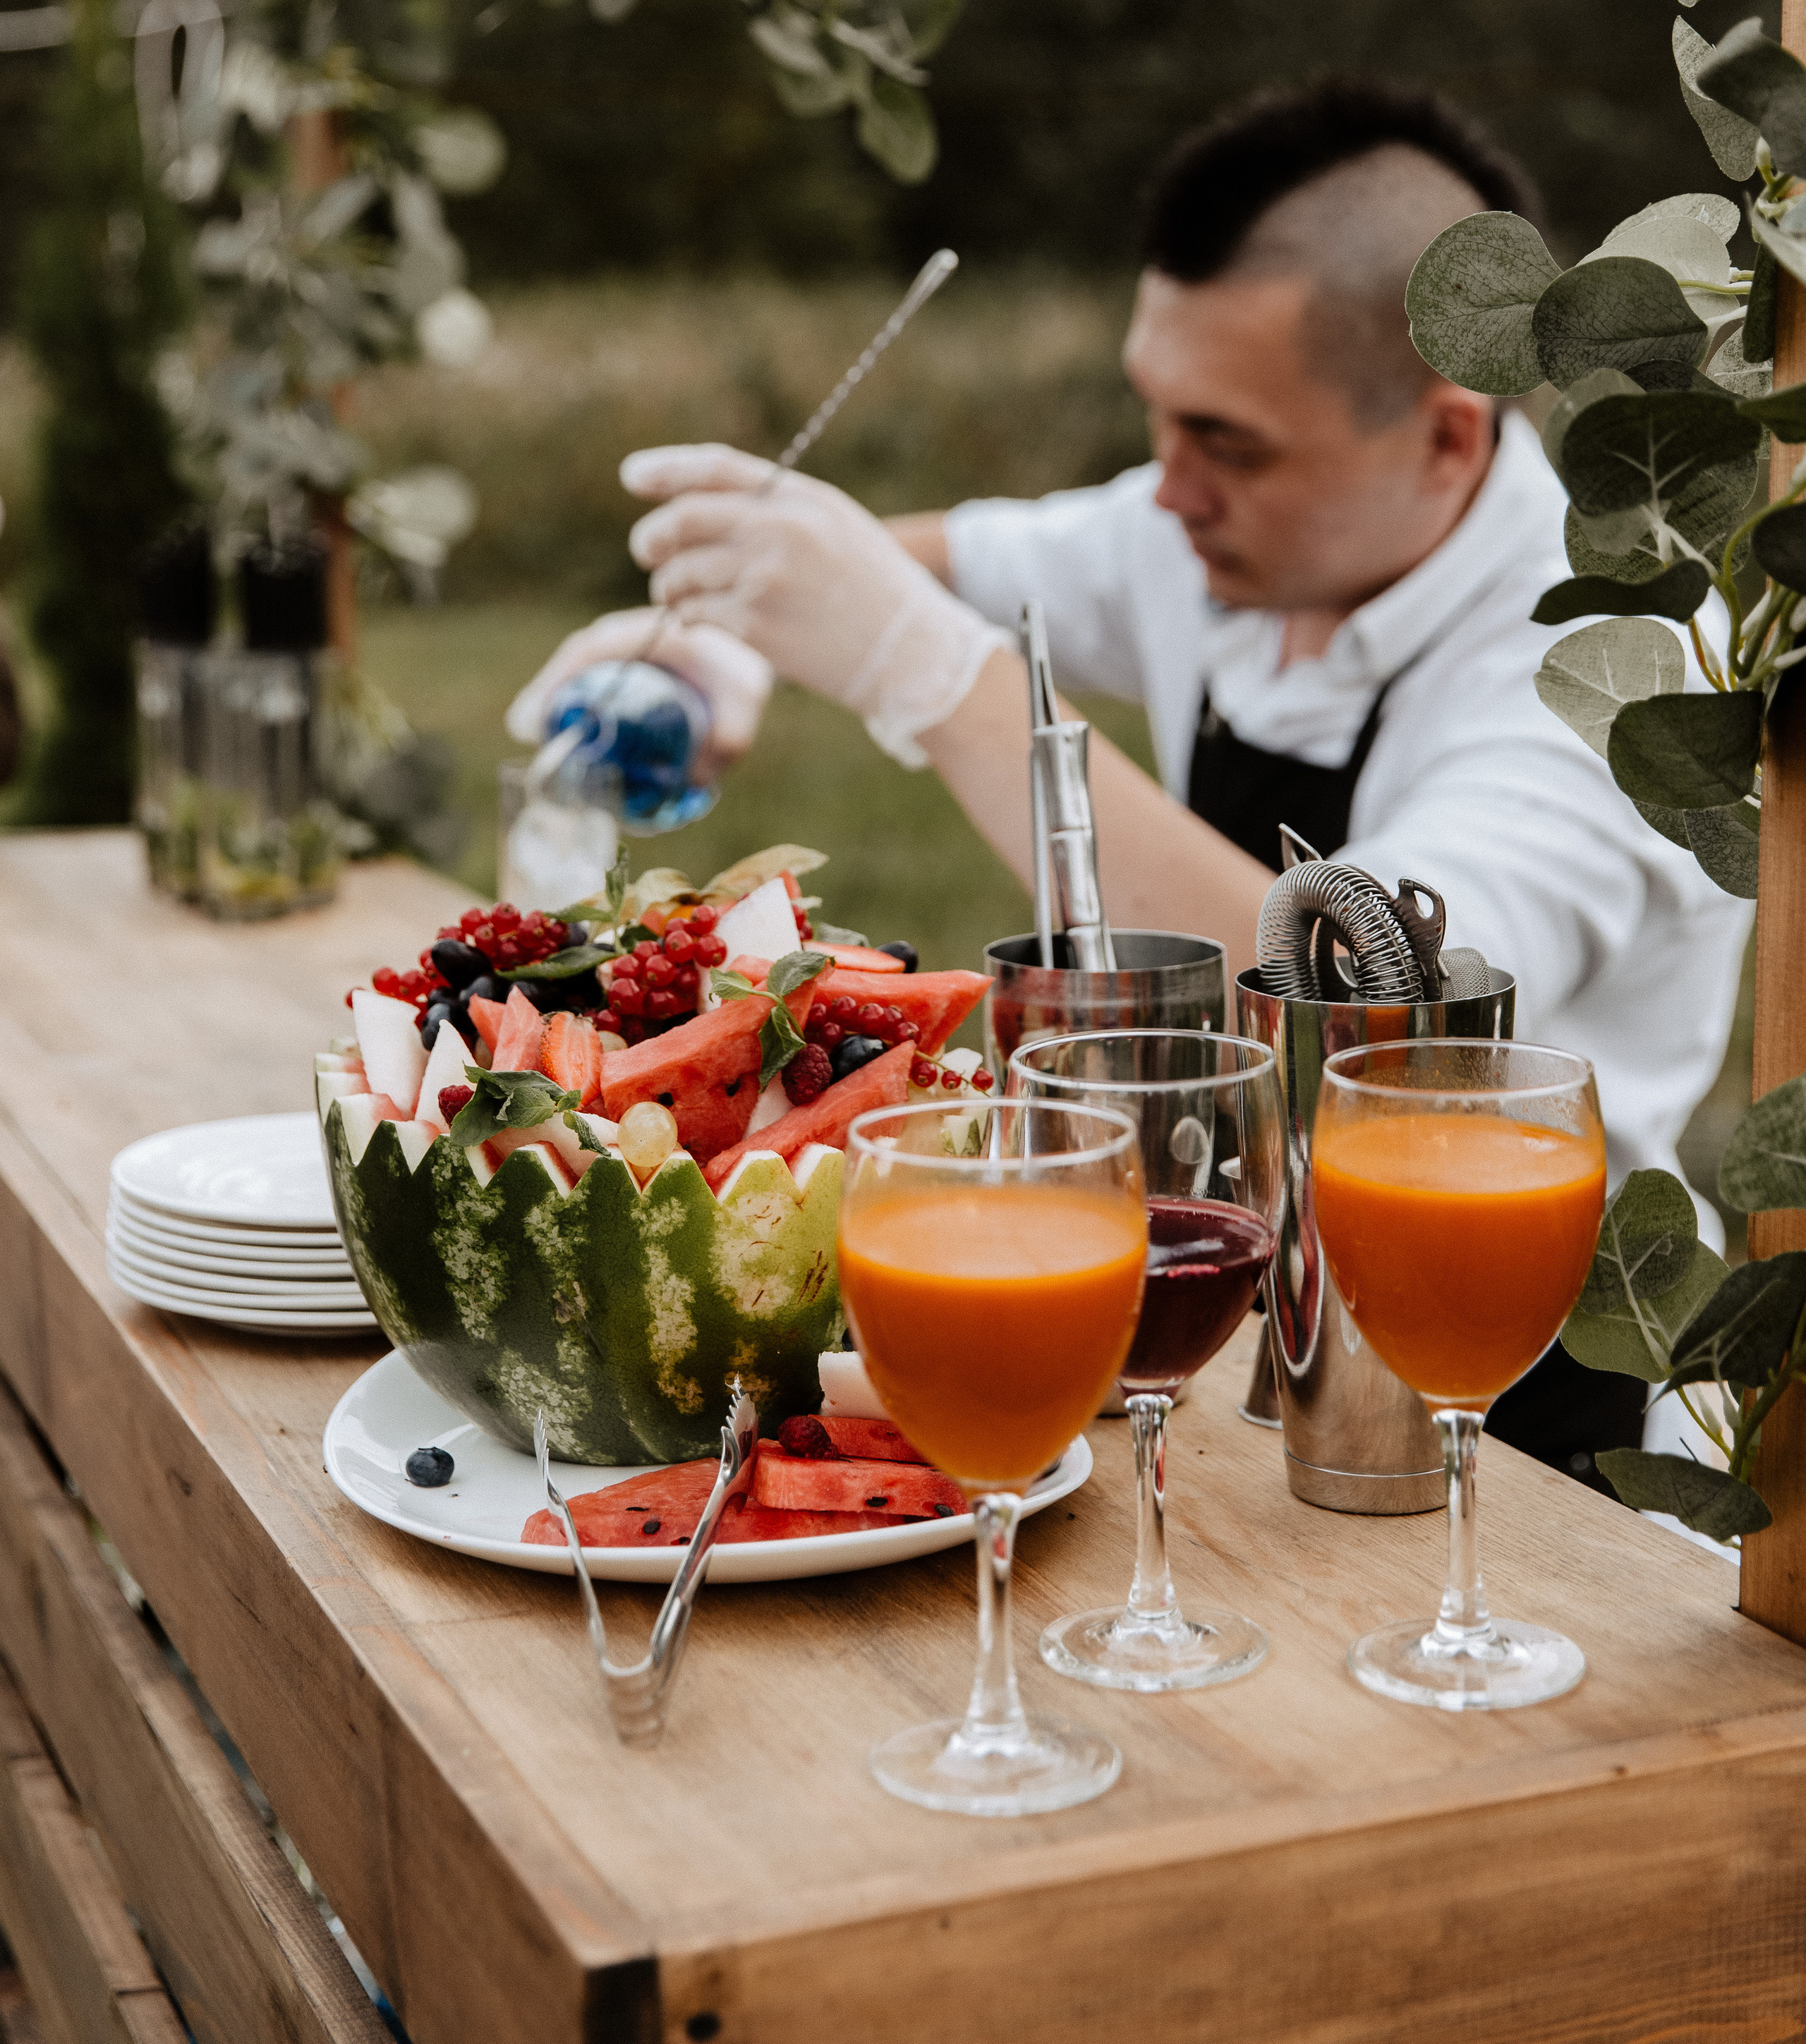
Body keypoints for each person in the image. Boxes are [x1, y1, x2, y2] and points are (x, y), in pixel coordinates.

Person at [514, 77, 1752, 1489]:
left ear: (1446, 435)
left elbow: (1367, 1022)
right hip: (1230, 1332)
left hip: (1509, 1410)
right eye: (1157, 418)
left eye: (1226, 441)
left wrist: (929, 675)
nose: (1166, 488)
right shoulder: (1231, 534)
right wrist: (726, 634)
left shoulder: (1612, 667)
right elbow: (945, 565)